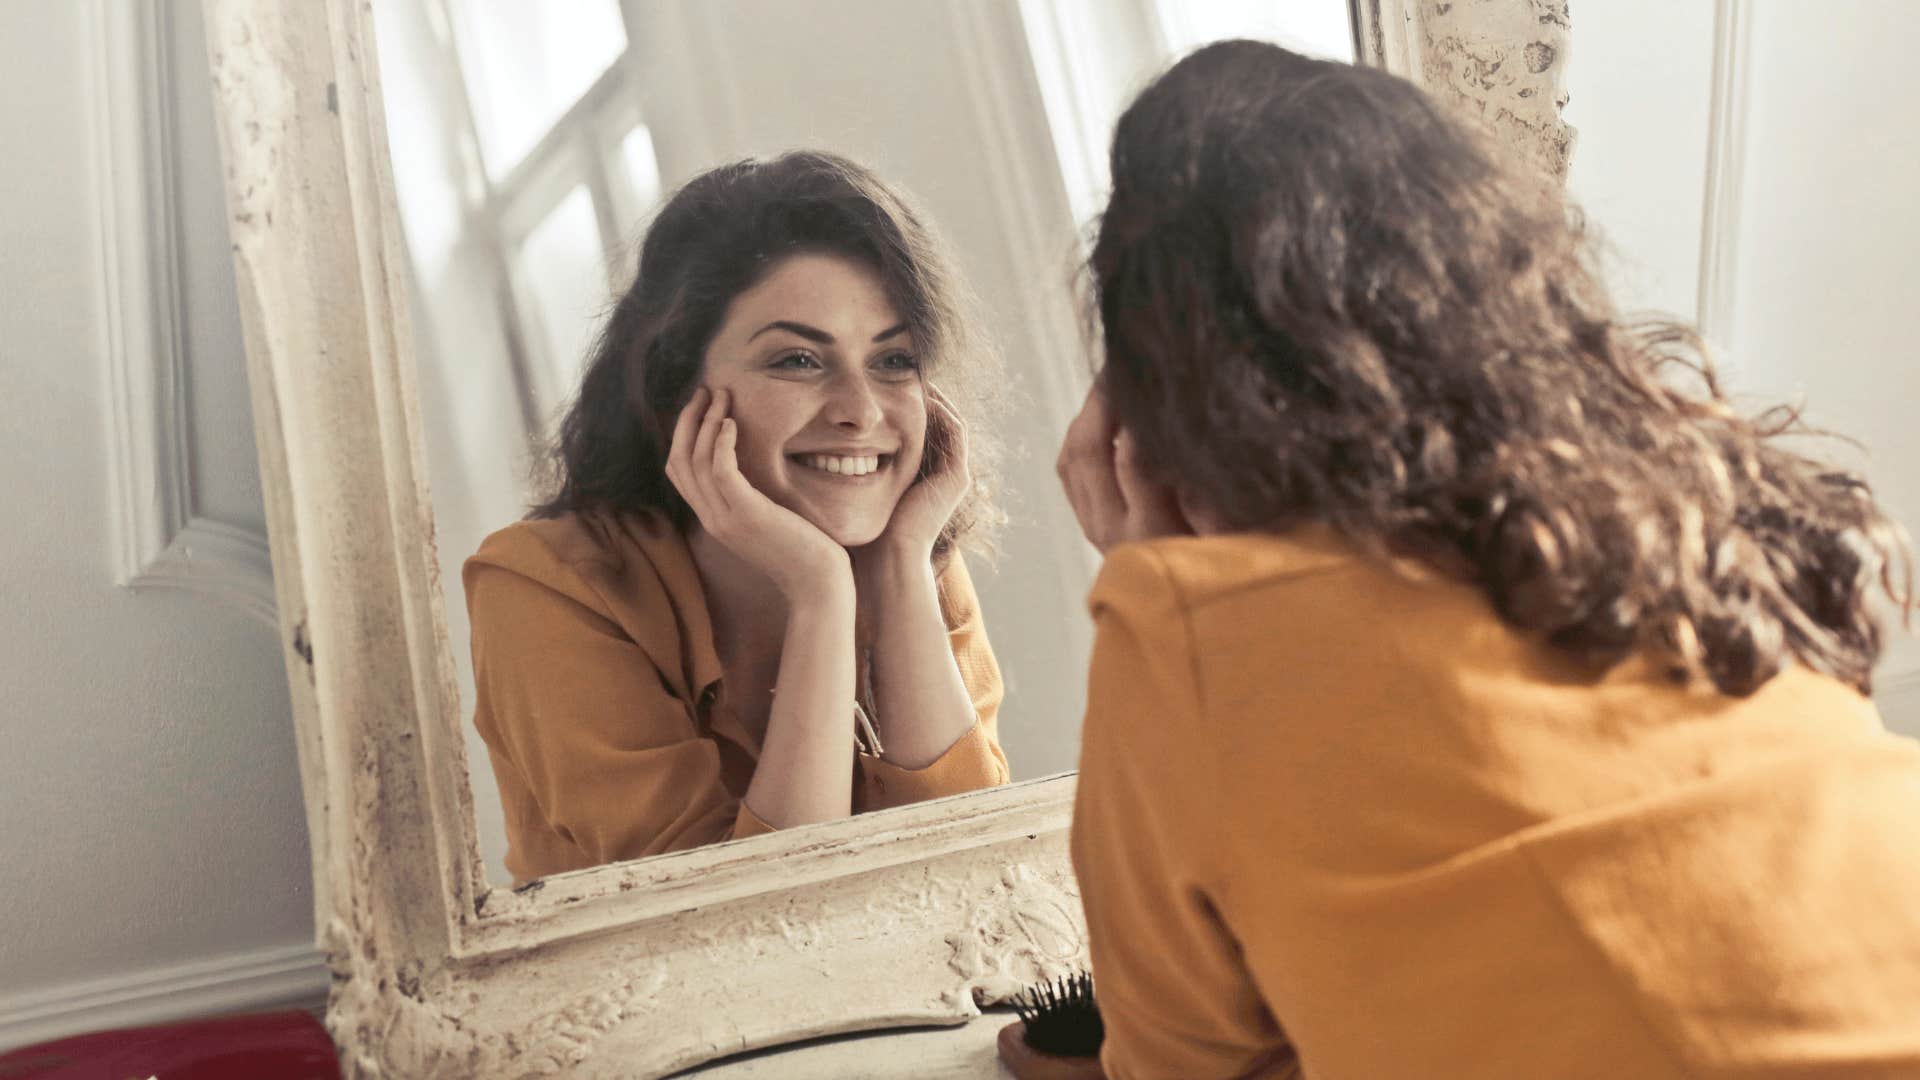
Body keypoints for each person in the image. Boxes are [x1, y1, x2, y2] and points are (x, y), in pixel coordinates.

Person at [1055, 40, 1920, 1079]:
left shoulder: (1191, 638)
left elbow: (1183, 1068)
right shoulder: (1692, 497)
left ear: (1148, 424)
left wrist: (1147, 574)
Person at [465, 151, 1011, 885]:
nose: (860, 411)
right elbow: (737, 925)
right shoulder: (544, 586)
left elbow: (974, 877)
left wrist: (900, 569)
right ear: (675, 390)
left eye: (893, 360)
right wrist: (820, 594)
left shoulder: (910, 554)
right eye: (796, 360)